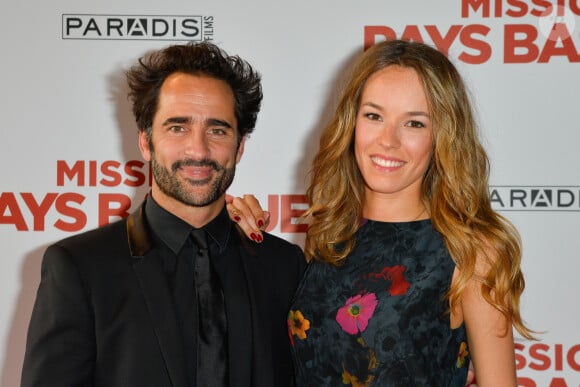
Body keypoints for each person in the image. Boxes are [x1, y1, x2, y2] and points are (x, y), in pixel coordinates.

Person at [229, 39, 535, 386]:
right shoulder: (329, 234)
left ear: (443, 136)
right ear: (353, 123)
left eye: (414, 123)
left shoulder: (472, 254)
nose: (388, 140)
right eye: (374, 116)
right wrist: (239, 237)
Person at [21, 42, 306, 387]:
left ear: (240, 146)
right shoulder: (81, 268)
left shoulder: (282, 267)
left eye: (217, 130)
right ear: (145, 141)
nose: (198, 150)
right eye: (177, 127)